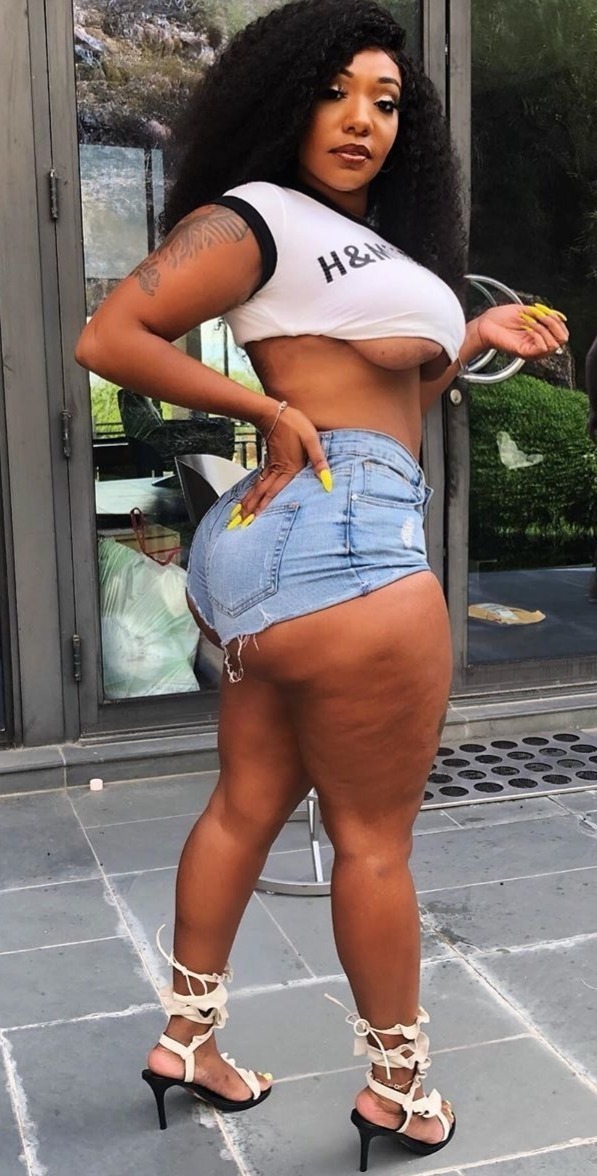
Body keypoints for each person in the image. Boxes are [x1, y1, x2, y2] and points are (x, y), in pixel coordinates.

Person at [75, 0, 568, 1165]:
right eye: (335, 92)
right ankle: (400, 1090)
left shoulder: (369, 245)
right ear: (282, 102)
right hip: (345, 537)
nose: (362, 120)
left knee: (247, 803)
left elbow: (391, 386)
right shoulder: (254, 215)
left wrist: (472, 333)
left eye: (386, 102)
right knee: (374, 844)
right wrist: (265, 406)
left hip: (276, 546)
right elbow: (111, 337)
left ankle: (187, 1040)